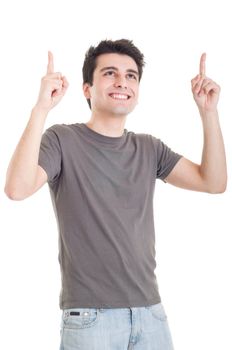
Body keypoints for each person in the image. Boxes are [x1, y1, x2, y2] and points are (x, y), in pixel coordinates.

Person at [4, 39, 227, 350]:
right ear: (87, 89)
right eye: (110, 73)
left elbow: (213, 182)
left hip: (151, 314)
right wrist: (41, 108)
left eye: (131, 75)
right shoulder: (62, 140)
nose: (122, 81)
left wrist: (209, 113)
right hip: (90, 320)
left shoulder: (150, 148)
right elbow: (17, 188)